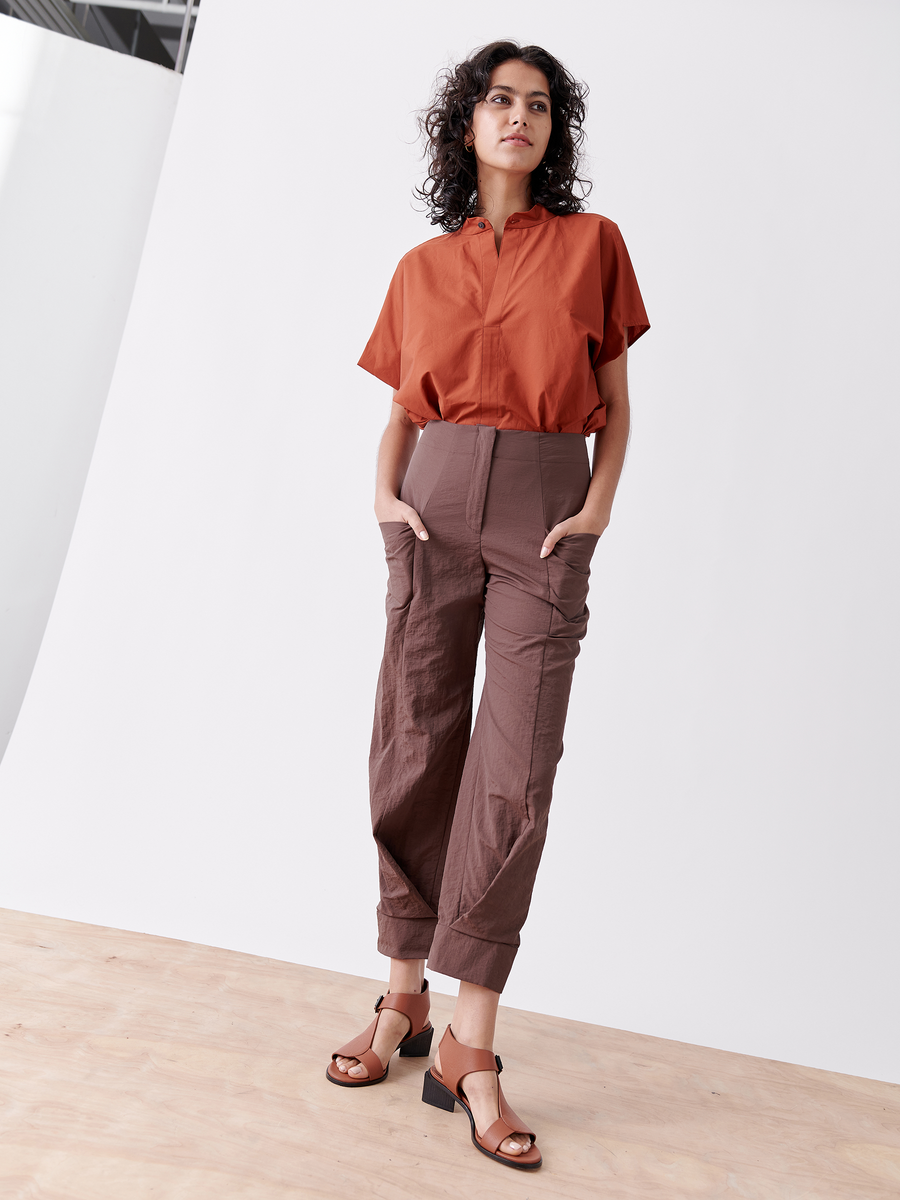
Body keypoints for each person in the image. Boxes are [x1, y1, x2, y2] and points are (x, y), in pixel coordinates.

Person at [325, 39, 650, 1171]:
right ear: (466, 124)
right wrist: (383, 493)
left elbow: (615, 407)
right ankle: (402, 995)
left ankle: (473, 1045)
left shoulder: (593, 248)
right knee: (413, 743)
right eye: (498, 101)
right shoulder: (421, 268)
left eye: (540, 105)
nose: (519, 117)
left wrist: (596, 510)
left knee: (512, 773)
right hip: (431, 508)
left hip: (546, 517)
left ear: (555, 131)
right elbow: (403, 410)